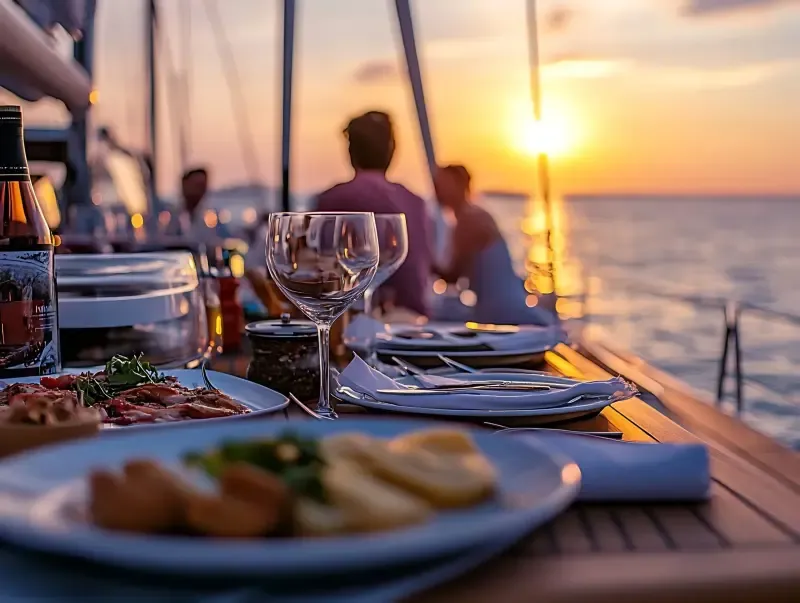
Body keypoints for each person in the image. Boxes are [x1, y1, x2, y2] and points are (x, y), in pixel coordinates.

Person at [315, 111, 433, 317]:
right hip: (415, 320)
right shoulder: (416, 202)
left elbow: (321, 272)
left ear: (351, 151)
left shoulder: (334, 199)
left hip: (359, 320)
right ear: (392, 151)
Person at [433, 164, 555, 326]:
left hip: (499, 312)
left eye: (443, 184)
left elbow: (454, 276)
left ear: (459, 185)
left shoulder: (469, 220)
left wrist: (422, 259)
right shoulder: (477, 215)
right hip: (504, 306)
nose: (437, 189)